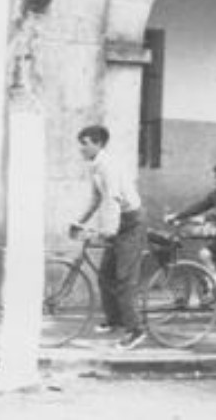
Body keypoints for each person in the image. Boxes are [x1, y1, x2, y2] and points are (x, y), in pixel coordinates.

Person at [70, 125, 147, 350]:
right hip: (118, 222)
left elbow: (113, 198)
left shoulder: (109, 166)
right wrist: (79, 221)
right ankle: (116, 320)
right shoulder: (95, 166)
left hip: (131, 222)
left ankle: (136, 331)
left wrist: (110, 230)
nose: (81, 148)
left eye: (85, 143)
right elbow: (96, 199)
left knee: (124, 279)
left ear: (98, 144)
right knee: (105, 276)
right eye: (81, 143)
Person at [168, 162, 216, 278]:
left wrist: (204, 217)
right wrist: (178, 216)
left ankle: (212, 288)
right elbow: (199, 206)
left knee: (205, 255)